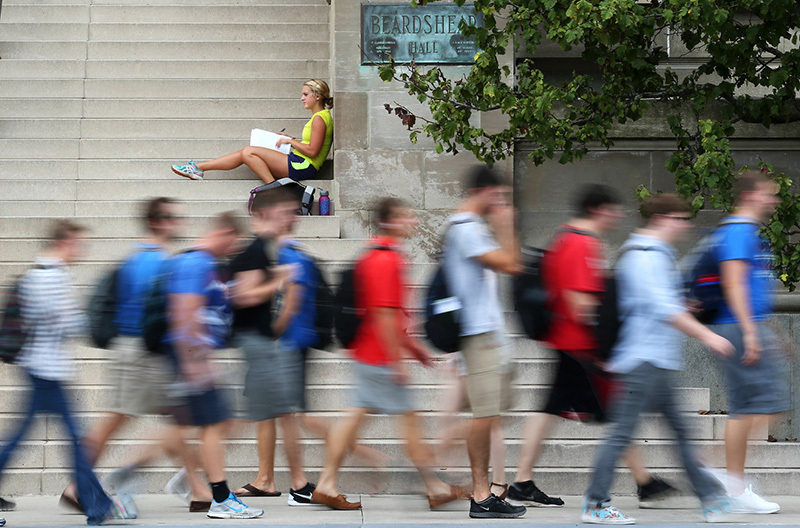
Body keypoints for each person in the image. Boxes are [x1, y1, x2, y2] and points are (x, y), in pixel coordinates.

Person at [508, 184, 672, 509]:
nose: (619, 215)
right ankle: (643, 483)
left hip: (567, 342)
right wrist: (605, 346)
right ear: (599, 210)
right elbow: (579, 302)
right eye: (614, 210)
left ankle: (523, 480)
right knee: (614, 411)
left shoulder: (564, 236)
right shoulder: (581, 243)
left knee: (554, 408)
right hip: (581, 345)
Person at [581, 194, 735, 525]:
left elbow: (663, 304)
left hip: (658, 361)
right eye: (681, 219)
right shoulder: (645, 256)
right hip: (641, 361)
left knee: (680, 432)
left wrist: (684, 306)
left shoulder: (657, 255)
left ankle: (712, 498)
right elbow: (664, 310)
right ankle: (596, 504)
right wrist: (708, 335)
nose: (686, 225)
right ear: (662, 218)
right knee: (622, 434)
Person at [59, 198, 213, 514]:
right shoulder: (152, 261)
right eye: (171, 218)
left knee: (176, 418)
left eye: (178, 218)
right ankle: (76, 486)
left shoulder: (145, 258)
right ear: (156, 222)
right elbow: (160, 314)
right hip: (142, 353)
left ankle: (199, 490)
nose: (177, 224)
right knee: (118, 420)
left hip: (140, 352)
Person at [311, 198, 464, 511]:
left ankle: (326, 484)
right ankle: (435, 487)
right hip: (380, 357)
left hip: (370, 353)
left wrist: (414, 348)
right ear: (391, 221)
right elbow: (383, 315)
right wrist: (398, 361)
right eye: (406, 217)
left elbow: (388, 314)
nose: (413, 222)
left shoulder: (376, 255)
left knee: (352, 419)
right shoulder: (387, 259)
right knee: (409, 422)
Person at [0, 220, 134, 525]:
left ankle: (96, 505)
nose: (82, 249)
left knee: (35, 438)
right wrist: (103, 319)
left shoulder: (45, 273)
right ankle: (97, 506)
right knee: (73, 441)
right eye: (79, 242)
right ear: (65, 242)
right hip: (46, 371)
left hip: (43, 369)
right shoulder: (49, 277)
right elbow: (66, 323)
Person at [163, 212, 263, 519]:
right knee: (212, 426)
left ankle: (197, 480)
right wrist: (195, 360)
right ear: (224, 232)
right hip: (190, 357)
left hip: (191, 355)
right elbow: (184, 311)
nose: (231, 250)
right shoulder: (197, 263)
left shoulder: (204, 265)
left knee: (217, 424)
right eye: (232, 242)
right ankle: (219, 497)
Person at [440, 165, 525, 519]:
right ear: (485, 191)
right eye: (499, 195)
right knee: (484, 416)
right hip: (478, 336)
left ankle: (485, 491)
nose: (503, 203)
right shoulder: (466, 229)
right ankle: (480, 494)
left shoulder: (470, 227)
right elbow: (511, 263)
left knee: (488, 416)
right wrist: (506, 225)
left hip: (485, 334)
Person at [227, 189, 314, 505]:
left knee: (269, 414)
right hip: (262, 345)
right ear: (264, 213)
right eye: (285, 211)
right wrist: (279, 282)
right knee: (271, 414)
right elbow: (244, 296)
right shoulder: (258, 250)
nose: (291, 217)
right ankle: (299, 485)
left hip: (264, 344)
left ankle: (271, 480)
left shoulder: (271, 250)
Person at [711, 170, 788, 513]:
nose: (773, 200)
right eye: (767, 194)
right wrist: (751, 333)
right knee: (748, 409)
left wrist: (772, 330)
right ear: (749, 195)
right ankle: (730, 482)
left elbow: (755, 289)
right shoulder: (738, 232)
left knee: (766, 407)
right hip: (739, 328)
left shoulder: (750, 234)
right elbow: (733, 285)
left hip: (749, 326)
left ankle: (730, 479)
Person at [172, 79, 333, 184]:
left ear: (317, 96)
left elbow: (312, 151)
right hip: (299, 161)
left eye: (305, 94)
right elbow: (311, 145)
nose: (302, 98)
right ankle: (198, 168)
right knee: (245, 152)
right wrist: (289, 138)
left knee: (248, 152)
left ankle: (274, 188)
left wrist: (291, 141)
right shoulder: (321, 117)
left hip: (303, 166)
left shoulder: (319, 118)